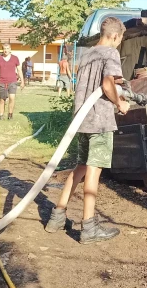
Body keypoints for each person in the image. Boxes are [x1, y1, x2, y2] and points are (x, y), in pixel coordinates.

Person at [45, 17, 129, 244]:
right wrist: (120, 104)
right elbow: (107, 85)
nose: (119, 43)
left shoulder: (88, 53)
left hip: (82, 121)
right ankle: (89, 227)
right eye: (120, 39)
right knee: (94, 170)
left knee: (81, 167)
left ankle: (57, 216)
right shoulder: (110, 53)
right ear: (114, 36)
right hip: (99, 120)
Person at [0, 44, 24, 120]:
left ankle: (10, 115)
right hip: (2, 82)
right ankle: (1, 115)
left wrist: (22, 81)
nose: (6, 50)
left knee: (12, 98)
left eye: (7, 48)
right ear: (2, 50)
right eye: (4, 49)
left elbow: (19, 70)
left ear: (10, 49)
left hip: (12, 81)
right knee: (2, 99)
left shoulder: (15, 58)